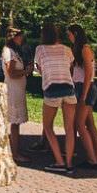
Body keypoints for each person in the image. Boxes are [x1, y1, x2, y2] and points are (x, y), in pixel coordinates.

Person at [33, 22, 76, 173]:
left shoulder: (40, 49)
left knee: (48, 126)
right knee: (70, 128)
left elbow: (39, 68)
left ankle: (59, 161)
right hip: (69, 88)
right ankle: (69, 164)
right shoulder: (67, 49)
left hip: (51, 88)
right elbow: (70, 68)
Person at [67, 24, 97, 168]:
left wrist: (84, 95)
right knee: (90, 124)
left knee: (79, 124)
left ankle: (92, 159)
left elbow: (88, 74)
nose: (68, 37)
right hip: (80, 87)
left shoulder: (85, 49)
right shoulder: (76, 50)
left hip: (85, 88)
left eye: (69, 34)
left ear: (75, 34)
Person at [1, 26, 31, 163]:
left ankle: (15, 149)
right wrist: (25, 71)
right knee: (14, 122)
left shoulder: (14, 51)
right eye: (20, 36)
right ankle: (15, 152)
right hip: (13, 89)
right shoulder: (9, 52)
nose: (22, 39)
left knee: (15, 123)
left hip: (18, 89)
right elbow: (11, 73)